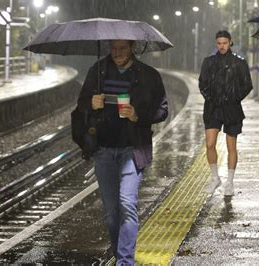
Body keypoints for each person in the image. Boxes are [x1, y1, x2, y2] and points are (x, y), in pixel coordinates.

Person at [75, 39, 168, 265]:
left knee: (127, 204)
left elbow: (163, 110)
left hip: (133, 148)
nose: (117, 53)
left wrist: (138, 116)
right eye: (113, 48)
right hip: (104, 150)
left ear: (132, 47)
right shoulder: (97, 72)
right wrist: (90, 104)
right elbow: (80, 107)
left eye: (122, 48)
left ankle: (125, 261)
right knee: (111, 213)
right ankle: (121, 254)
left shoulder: (148, 75)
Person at [198, 30, 253, 196]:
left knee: (231, 147)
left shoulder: (239, 63)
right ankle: (215, 178)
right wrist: (212, 98)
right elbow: (202, 83)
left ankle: (230, 182)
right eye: (219, 43)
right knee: (209, 143)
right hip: (213, 107)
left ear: (230, 43)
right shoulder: (208, 62)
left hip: (232, 108)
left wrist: (234, 98)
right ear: (216, 43)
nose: (222, 46)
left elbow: (247, 84)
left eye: (225, 43)